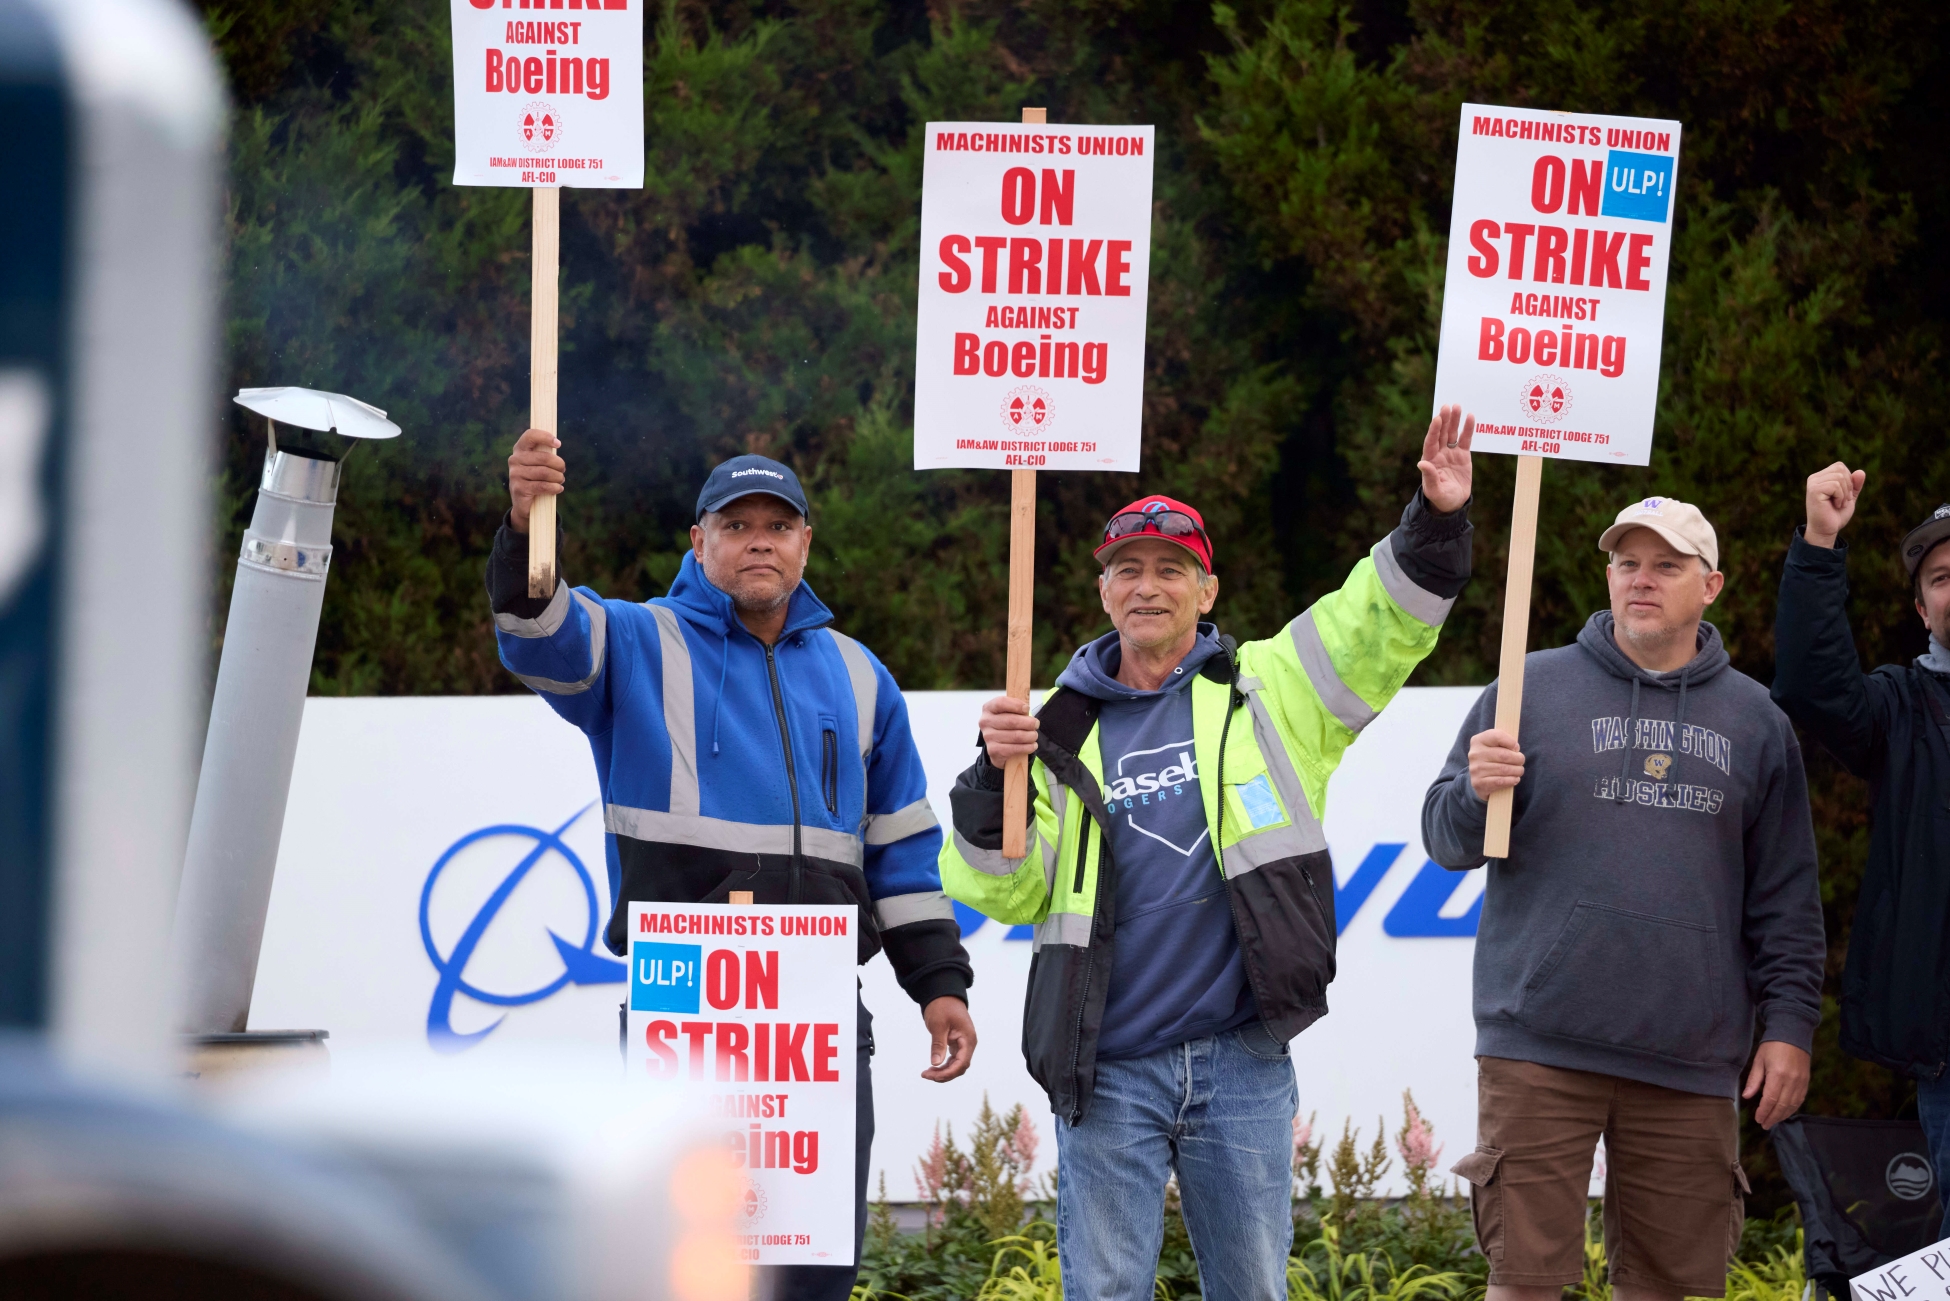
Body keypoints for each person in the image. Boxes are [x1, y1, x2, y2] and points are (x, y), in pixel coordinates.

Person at [940, 407, 1479, 1301]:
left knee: (1253, 1291)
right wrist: (985, 783)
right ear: (1104, 591)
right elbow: (1007, 891)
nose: (1147, 586)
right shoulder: (1051, 730)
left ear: (1207, 589)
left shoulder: (1274, 688)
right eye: (1128, 570)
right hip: (1106, 1067)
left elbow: (1380, 620)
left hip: (1241, 1061)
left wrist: (1437, 520)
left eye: (1170, 569)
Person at [489, 430, 977, 1301]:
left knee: (813, 1268)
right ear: (699, 541)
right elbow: (540, 634)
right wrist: (528, 523)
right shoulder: (639, 641)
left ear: (805, 543)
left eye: (778, 525)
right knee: (686, 1267)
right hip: (689, 1010)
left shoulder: (862, 677)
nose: (760, 539)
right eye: (737, 523)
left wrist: (940, 984)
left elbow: (901, 852)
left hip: (818, 1019)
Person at [1422, 494, 1826, 1301]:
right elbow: (1444, 837)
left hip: (1691, 1057)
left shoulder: (1756, 721)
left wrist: (1789, 1026)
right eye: (1626, 562)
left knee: (1671, 1289)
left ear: (1710, 585)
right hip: (1539, 1044)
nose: (1642, 580)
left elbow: (1786, 896)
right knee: (1524, 1286)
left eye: (1666, 565)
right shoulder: (1525, 687)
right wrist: (1474, 789)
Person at [1772, 464, 1950, 1240]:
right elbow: (1814, 683)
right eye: (1942, 577)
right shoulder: (1900, 707)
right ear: (1921, 608)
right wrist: (1819, 543)